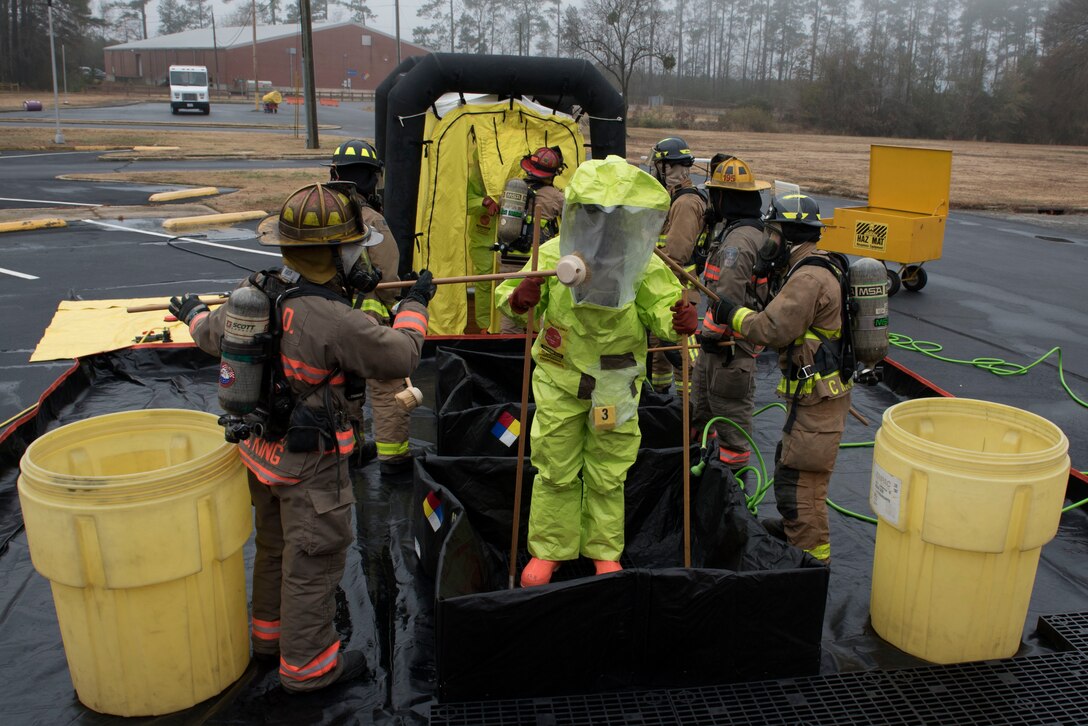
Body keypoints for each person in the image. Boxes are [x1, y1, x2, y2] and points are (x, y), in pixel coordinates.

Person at [169, 182, 437, 691]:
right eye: (356, 248)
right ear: (336, 252)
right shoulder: (338, 321)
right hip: (310, 466)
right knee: (312, 562)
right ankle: (309, 669)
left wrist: (191, 314)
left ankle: (268, 640)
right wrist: (416, 303)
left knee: (273, 549)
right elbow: (401, 355)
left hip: (260, 452)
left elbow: (209, 336)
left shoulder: (257, 292)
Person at [495, 156, 698, 587]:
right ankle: (550, 550)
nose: (605, 227)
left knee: (609, 472)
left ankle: (604, 551)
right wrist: (521, 297)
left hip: (615, 385)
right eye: (595, 215)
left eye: (618, 218)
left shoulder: (645, 265)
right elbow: (507, 295)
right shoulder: (550, 256)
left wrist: (679, 322)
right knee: (555, 467)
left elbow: (664, 309)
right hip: (559, 378)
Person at [708, 193, 852, 564]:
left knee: (803, 481)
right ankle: (796, 535)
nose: (768, 242)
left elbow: (771, 329)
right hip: (813, 397)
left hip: (818, 400)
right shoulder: (811, 267)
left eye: (773, 233)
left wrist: (731, 313)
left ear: (789, 235)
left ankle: (809, 561)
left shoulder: (809, 277)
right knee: (791, 469)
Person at [329, 139, 416, 474]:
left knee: (342, 389)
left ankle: (348, 453)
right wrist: (403, 302)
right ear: (372, 178)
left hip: (324, 315)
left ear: (335, 173)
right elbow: (388, 272)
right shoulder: (370, 219)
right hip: (366, 317)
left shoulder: (317, 213)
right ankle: (394, 458)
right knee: (388, 385)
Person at [692, 157, 771, 475]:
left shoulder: (737, 243)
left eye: (716, 195)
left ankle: (732, 495)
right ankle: (707, 473)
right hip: (717, 352)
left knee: (730, 429)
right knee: (702, 415)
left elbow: (727, 301)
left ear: (725, 198)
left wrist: (711, 335)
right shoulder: (747, 232)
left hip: (729, 353)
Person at [648, 136, 708, 393]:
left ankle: (691, 408)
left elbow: (677, 254)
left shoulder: (686, 203)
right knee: (660, 354)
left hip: (679, 290)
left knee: (682, 355)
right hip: (666, 288)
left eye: (658, 166)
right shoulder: (673, 198)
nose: (655, 171)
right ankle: (659, 399)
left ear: (667, 167)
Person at [491, 145, 567, 333]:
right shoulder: (556, 196)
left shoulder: (512, 191)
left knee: (509, 308)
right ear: (554, 173)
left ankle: (507, 350)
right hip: (534, 263)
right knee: (538, 311)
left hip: (507, 258)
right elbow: (572, 219)